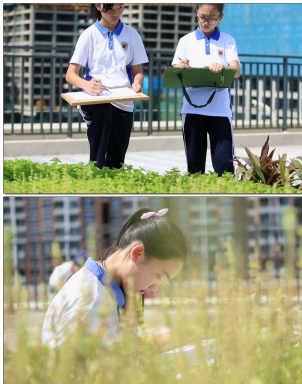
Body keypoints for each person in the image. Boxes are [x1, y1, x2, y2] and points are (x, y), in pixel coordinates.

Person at [42, 208, 188, 348]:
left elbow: (123, 348)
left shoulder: (103, 287)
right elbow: (64, 366)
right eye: (158, 276)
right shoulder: (91, 300)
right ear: (137, 253)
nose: (155, 287)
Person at [65, 4, 148, 169]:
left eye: (120, 7)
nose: (115, 13)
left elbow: (138, 72)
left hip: (124, 99)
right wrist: (87, 85)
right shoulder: (88, 35)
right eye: (110, 9)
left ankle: (112, 190)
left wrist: (137, 83)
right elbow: (71, 74)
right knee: (98, 159)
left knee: (117, 160)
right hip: (97, 99)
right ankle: (96, 186)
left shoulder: (132, 35)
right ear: (98, 6)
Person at [172, 4, 241, 177]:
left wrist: (223, 66)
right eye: (202, 17)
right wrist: (181, 67)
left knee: (225, 167)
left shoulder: (227, 40)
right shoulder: (185, 41)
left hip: (220, 111)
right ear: (196, 13)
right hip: (191, 110)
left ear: (221, 17)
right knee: (195, 167)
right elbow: (176, 68)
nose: (206, 22)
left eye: (212, 18)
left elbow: (237, 71)